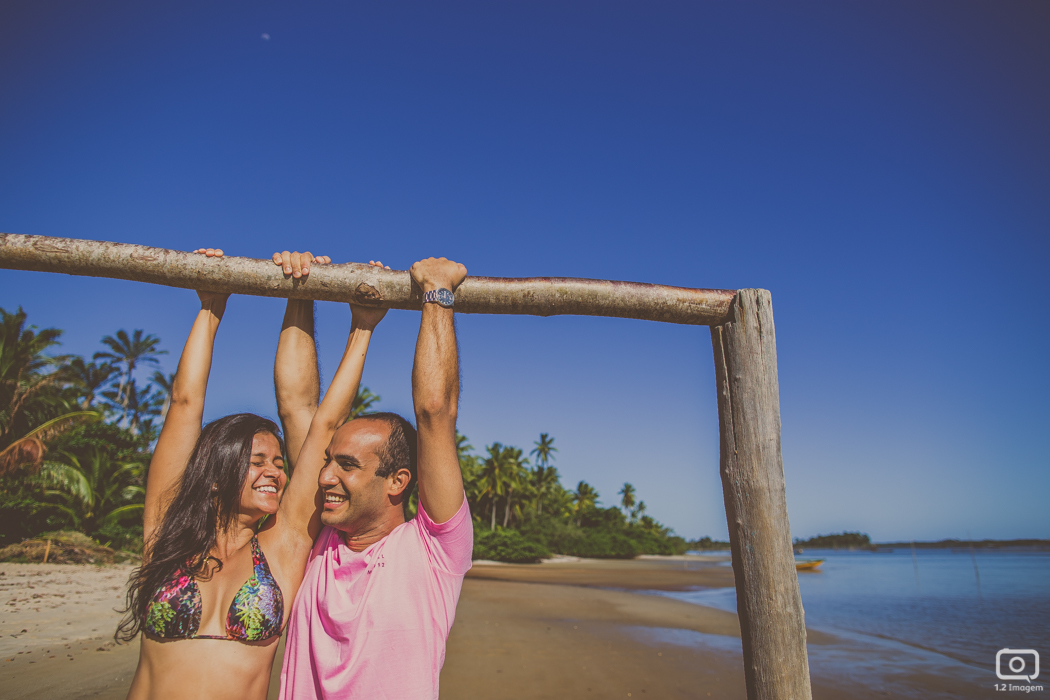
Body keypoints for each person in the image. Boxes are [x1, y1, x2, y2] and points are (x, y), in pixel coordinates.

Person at [121, 248, 388, 700]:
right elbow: (184, 404)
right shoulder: (166, 536)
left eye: (280, 463)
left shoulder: (283, 546)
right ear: (213, 473)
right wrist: (211, 306)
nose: (275, 473)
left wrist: (359, 324)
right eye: (258, 460)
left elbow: (317, 418)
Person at [279, 256, 473, 700]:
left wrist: (437, 293)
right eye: (329, 460)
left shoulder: (434, 551)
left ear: (397, 480)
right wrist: (301, 287)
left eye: (347, 465)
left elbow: (435, 412)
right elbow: (297, 408)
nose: (325, 475)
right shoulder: (316, 539)